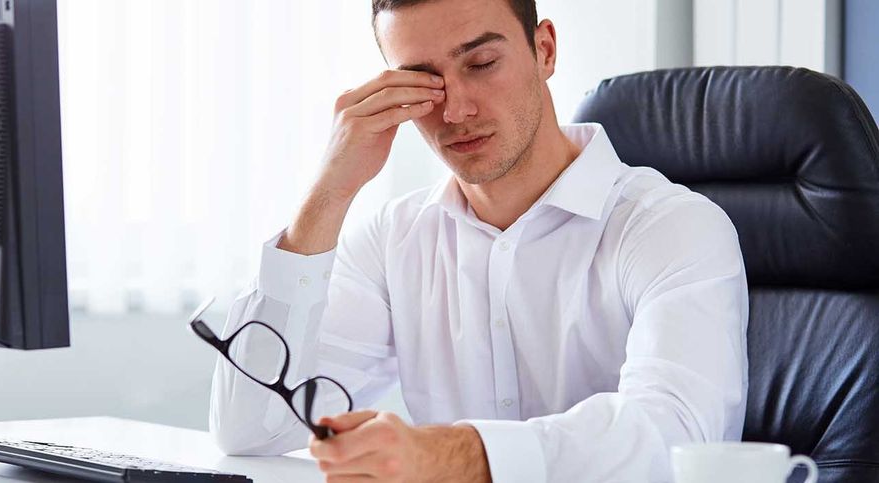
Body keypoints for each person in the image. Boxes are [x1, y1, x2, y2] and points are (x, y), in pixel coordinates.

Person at [209, 0, 749, 481]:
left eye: (482, 64)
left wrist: (457, 456)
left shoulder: (671, 227)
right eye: (423, 82)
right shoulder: (394, 238)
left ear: (544, 50)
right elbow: (249, 430)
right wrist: (330, 192)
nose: (456, 111)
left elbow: (679, 436)